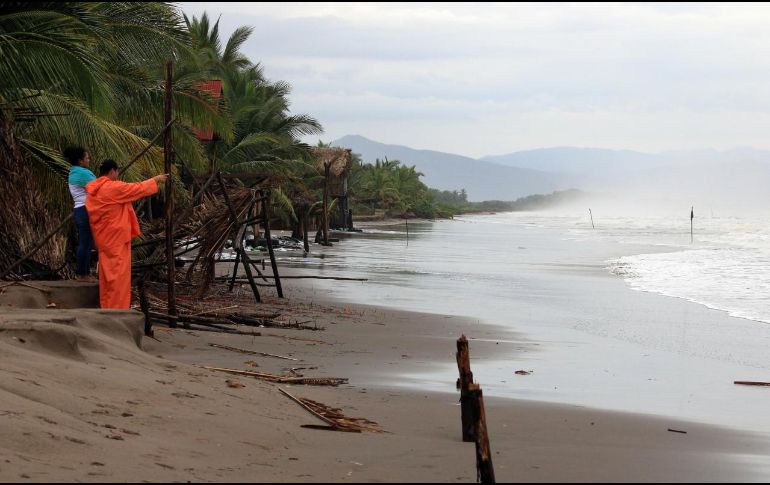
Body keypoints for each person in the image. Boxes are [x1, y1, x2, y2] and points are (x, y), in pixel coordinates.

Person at [85, 160, 168, 309]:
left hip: (103, 239)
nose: (118, 175)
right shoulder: (112, 187)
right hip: (116, 239)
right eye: (117, 172)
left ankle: (107, 305)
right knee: (118, 277)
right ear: (112, 171)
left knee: (107, 276)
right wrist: (155, 180)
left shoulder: (94, 190)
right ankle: (117, 308)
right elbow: (136, 189)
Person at [64, 146, 96, 281]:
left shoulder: (73, 172)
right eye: (86, 158)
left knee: (86, 242)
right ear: (80, 160)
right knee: (85, 243)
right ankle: (83, 273)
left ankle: (84, 273)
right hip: (85, 209)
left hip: (79, 210)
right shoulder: (83, 173)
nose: (88, 160)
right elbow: (100, 188)